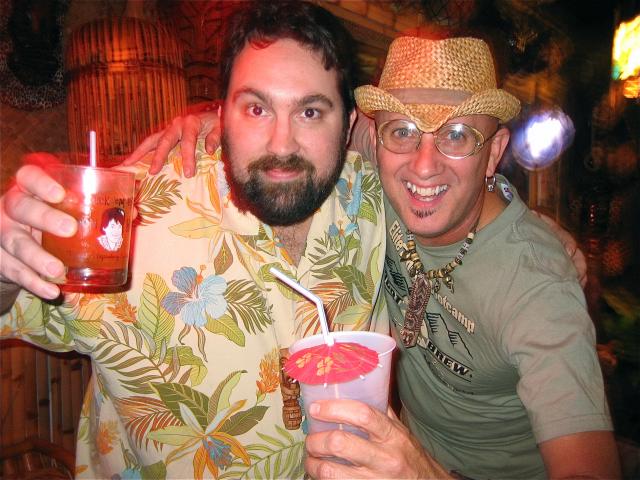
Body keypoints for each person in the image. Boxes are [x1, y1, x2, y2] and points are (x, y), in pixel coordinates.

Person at [0, 2, 388, 479]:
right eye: (256, 108)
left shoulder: (371, 197)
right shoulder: (130, 212)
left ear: (347, 125)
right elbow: (13, 301)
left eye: (310, 111)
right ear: (222, 113)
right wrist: (5, 266)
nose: (281, 144)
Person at [302, 37, 620, 479]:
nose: (423, 165)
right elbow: (307, 120)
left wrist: (424, 474)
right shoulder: (387, 165)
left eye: (456, 135)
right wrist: (220, 121)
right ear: (377, 137)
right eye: (403, 130)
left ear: (494, 152)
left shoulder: (537, 286)